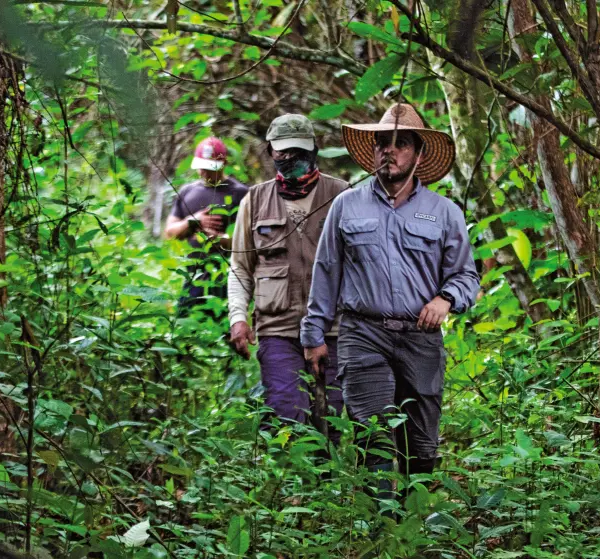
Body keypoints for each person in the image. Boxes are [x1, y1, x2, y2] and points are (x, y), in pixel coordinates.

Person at [300, 103, 479, 487]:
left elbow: (466, 275)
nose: (389, 151)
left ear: (418, 153)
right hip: (363, 333)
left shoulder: (444, 212)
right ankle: (380, 527)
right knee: (374, 436)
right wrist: (313, 335)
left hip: (420, 337)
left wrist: (445, 299)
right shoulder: (346, 205)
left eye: (400, 144)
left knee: (422, 448)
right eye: (383, 143)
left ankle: (416, 521)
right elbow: (326, 270)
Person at [228, 114, 348, 441]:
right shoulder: (254, 200)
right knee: (286, 417)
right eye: (283, 152)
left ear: (315, 150)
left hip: (334, 330)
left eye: (299, 151)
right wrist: (238, 318)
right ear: (270, 152)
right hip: (277, 329)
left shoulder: (342, 195)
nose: (291, 158)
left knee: (332, 423)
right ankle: (289, 490)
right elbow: (241, 267)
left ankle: (327, 490)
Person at [165, 137, 249, 317]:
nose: (205, 173)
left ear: (224, 163)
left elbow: (254, 242)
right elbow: (169, 233)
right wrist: (192, 221)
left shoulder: (241, 194)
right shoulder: (188, 192)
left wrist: (221, 241)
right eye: (202, 167)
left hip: (226, 282)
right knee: (184, 335)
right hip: (193, 279)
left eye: (211, 168)